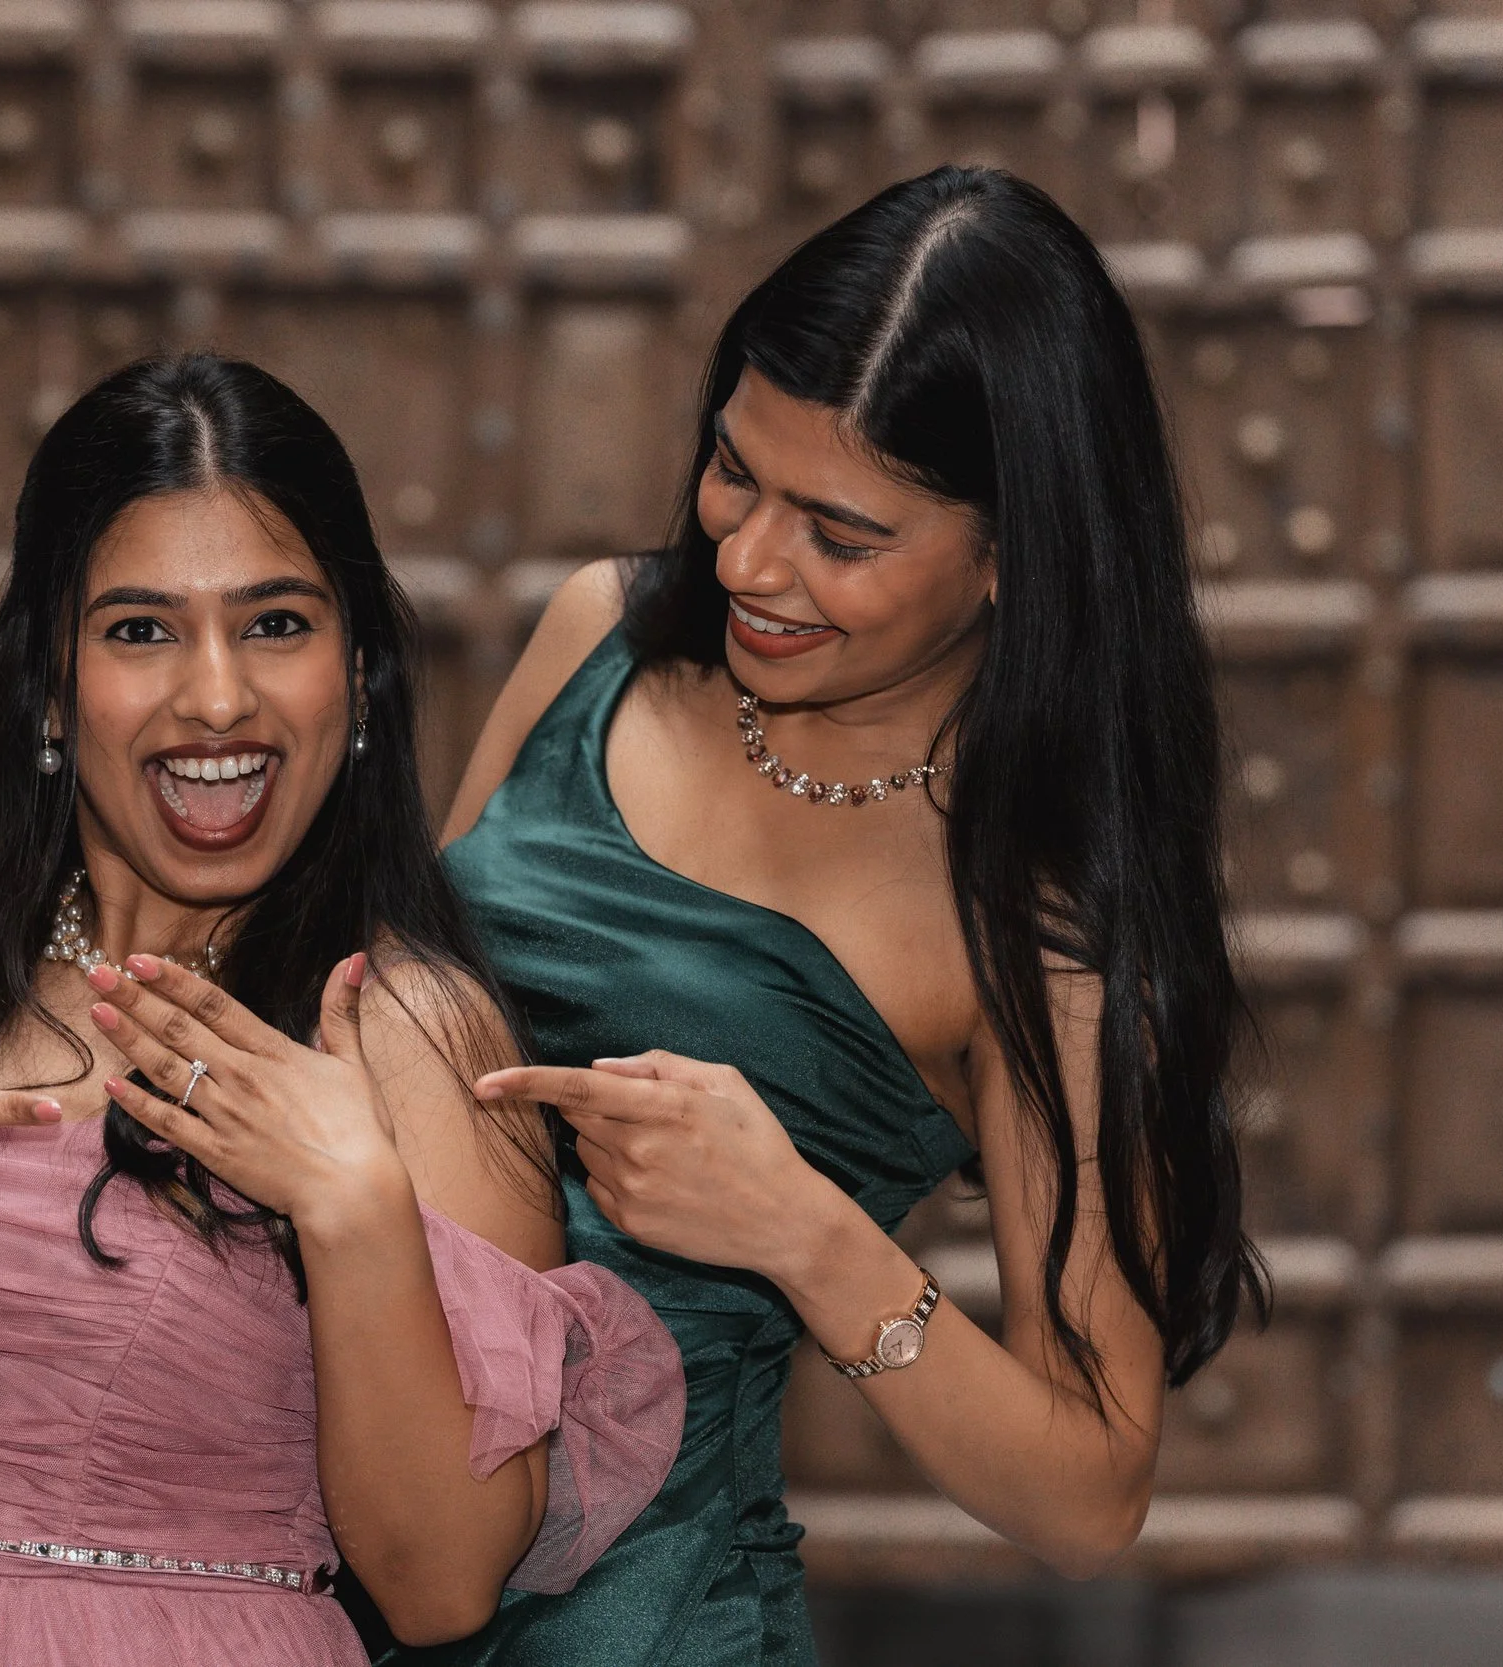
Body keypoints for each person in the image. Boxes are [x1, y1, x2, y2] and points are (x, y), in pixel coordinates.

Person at [0, 355, 684, 1665]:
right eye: (139, 630)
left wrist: (352, 1207)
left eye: (276, 624)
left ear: (358, 674)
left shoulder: (405, 1034)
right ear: (50, 685)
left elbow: (442, 1587)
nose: (216, 695)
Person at [420, 167, 1267, 1665]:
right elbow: (388, 1025)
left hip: (641, 1625)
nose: (748, 560)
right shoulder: (600, 638)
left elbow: (1092, 1492)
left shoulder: (1041, 929)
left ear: (1011, 554)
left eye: (842, 534)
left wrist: (805, 1233)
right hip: (333, 1544)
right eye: (734, 471)